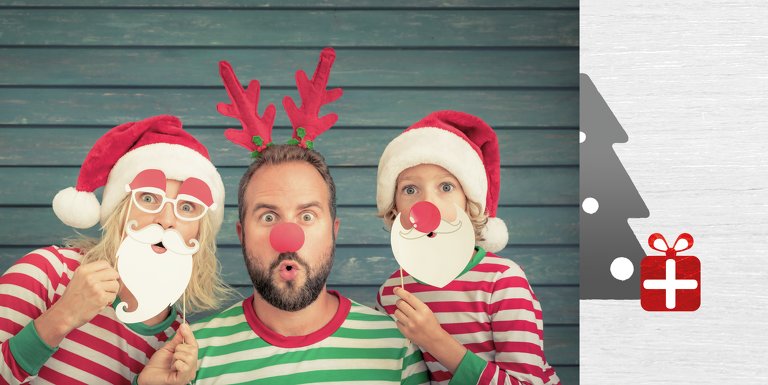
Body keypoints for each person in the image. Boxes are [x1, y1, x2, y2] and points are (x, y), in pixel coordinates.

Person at [191, 48, 429, 384]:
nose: (289, 237)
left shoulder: (397, 348)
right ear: (241, 233)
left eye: (307, 216)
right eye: (269, 217)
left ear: (334, 231)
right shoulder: (191, 353)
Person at [0, 115, 232, 385]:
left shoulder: (176, 345)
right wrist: (63, 316)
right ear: (119, 211)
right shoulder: (50, 272)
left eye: (187, 207)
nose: (167, 220)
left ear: (200, 233)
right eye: (148, 198)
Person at [375, 111, 561, 385]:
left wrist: (434, 340)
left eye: (446, 186)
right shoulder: (391, 294)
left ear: (469, 202)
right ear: (394, 208)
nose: (429, 204)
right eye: (410, 190)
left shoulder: (503, 281)